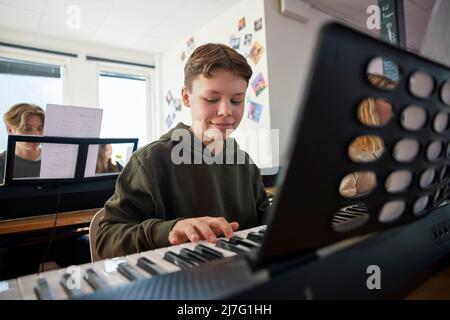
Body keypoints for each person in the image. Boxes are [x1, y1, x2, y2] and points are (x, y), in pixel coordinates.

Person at [95, 43, 270, 259]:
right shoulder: (151, 161)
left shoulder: (245, 164)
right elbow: (105, 239)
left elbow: (267, 219)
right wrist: (169, 230)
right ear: (186, 97)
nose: (226, 111)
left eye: (237, 100)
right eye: (212, 99)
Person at [0, 103, 44, 183]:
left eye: (40, 129)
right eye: (27, 129)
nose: (36, 135)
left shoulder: (56, 159)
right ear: (10, 130)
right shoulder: (1, 163)